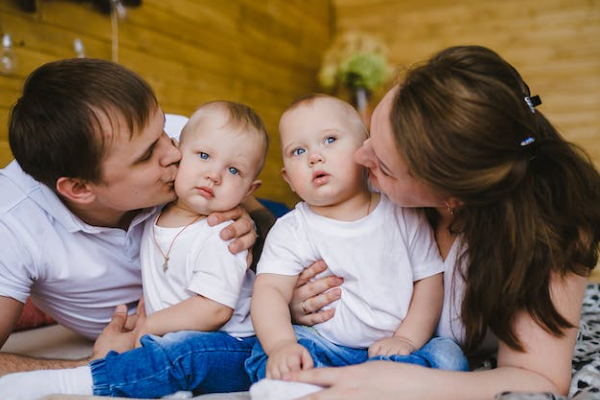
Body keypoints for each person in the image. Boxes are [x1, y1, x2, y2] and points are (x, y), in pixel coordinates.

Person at [280, 45, 600, 399]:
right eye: (370, 136)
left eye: (383, 167)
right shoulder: (370, 184)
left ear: (453, 200)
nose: (359, 156)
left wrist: (400, 384)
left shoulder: (554, 230)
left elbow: (538, 377)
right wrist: (294, 301)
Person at [0, 58, 267, 375]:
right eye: (147, 156)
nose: (175, 153)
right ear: (80, 188)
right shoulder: (12, 224)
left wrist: (262, 238)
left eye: (165, 132)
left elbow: (251, 200)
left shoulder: (176, 136)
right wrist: (94, 364)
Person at [244, 94, 467, 396]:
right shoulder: (291, 230)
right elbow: (269, 291)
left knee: (448, 355)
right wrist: (282, 344)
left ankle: (374, 388)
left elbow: (428, 282)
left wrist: (407, 340)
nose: (314, 156)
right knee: (266, 352)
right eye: (298, 150)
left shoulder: (402, 213)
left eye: (330, 140)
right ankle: (306, 387)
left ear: (364, 151)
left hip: (397, 351)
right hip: (327, 346)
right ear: (288, 179)